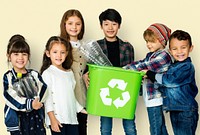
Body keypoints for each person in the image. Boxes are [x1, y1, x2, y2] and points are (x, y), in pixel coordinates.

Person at [145, 30, 199, 135]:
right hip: (175, 109)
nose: (179, 52)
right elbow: (164, 85)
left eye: (183, 47)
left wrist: (152, 75)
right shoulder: (172, 66)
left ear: (191, 48)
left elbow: (170, 81)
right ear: (170, 50)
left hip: (186, 111)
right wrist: (148, 77)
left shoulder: (187, 67)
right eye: (175, 49)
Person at [124, 23, 172, 135]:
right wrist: (125, 68)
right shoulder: (151, 55)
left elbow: (144, 66)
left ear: (162, 41)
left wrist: (126, 70)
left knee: (155, 129)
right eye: (147, 41)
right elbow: (140, 62)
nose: (148, 44)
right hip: (151, 98)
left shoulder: (164, 56)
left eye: (152, 41)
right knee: (161, 129)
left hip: (156, 99)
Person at [97, 8, 136, 135]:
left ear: (119, 25)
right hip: (105, 90)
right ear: (101, 26)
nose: (110, 27)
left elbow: (131, 71)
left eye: (114, 24)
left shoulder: (127, 47)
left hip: (123, 89)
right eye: (106, 24)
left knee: (130, 127)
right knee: (105, 128)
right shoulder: (96, 46)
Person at [40, 36, 87, 135]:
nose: (59, 55)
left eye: (62, 52)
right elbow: (47, 99)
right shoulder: (47, 73)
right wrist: (52, 119)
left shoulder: (69, 73)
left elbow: (71, 96)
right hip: (58, 120)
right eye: (55, 52)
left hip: (72, 119)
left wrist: (83, 109)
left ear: (66, 54)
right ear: (48, 53)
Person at [3, 34, 48, 135]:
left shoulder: (34, 74)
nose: (20, 57)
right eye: (16, 54)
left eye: (24, 54)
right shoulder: (9, 77)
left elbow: (44, 90)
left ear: (28, 56)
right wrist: (29, 103)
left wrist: (36, 100)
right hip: (17, 121)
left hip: (36, 119)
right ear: (9, 56)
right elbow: (9, 96)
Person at [60, 9, 88, 135]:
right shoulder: (59, 47)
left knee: (82, 130)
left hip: (81, 98)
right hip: (65, 100)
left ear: (82, 26)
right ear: (64, 25)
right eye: (70, 23)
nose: (74, 27)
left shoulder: (86, 47)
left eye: (78, 23)